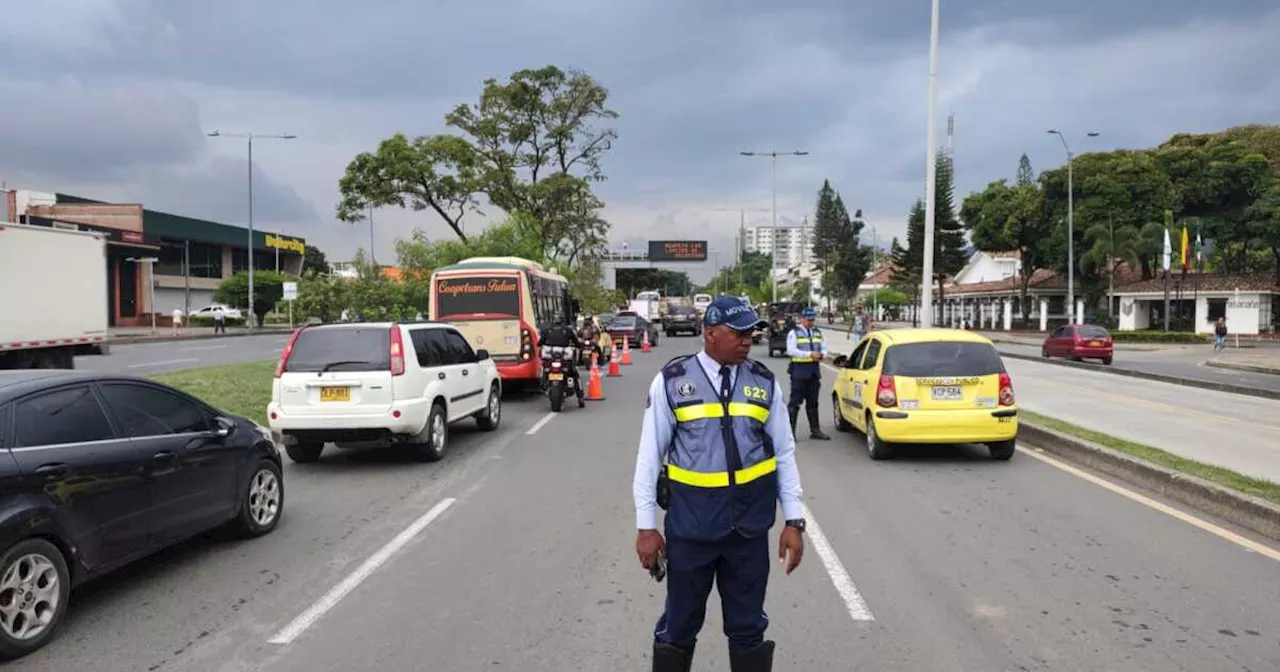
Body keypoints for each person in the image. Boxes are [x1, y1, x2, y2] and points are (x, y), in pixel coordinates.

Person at [633, 296, 805, 672]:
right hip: (691, 532)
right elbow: (649, 459)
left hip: (747, 534)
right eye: (738, 333)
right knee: (678, 627)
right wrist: (646, 527)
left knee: (748, 630)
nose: (747, 340)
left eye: (751, 333)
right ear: (710, 334)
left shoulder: (763, 382)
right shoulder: (673, 382)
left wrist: (794, 521)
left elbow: (785, 454)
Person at [785, 307, 831, 441]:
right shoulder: (794, 333)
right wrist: (809, 354)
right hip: (799, 371)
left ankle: (815, 431)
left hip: (814, 371)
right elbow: (791, 351)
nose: (811, 322)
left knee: (813, 402)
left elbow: (824, 347)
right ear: (802, 319)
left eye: (812, 320)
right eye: (809, 319)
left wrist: (822, 354)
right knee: (795, 403)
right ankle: (790, 434)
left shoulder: (817, 332)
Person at [540, 319, 586, 406]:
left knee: (545, 370)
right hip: (563, 359)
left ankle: (544, 385)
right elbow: (576, 342)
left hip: (552, 359)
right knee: (575, 374)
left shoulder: (547, 330)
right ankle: (580, 398)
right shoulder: (567, 330)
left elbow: (540, 342)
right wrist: (579, 346)